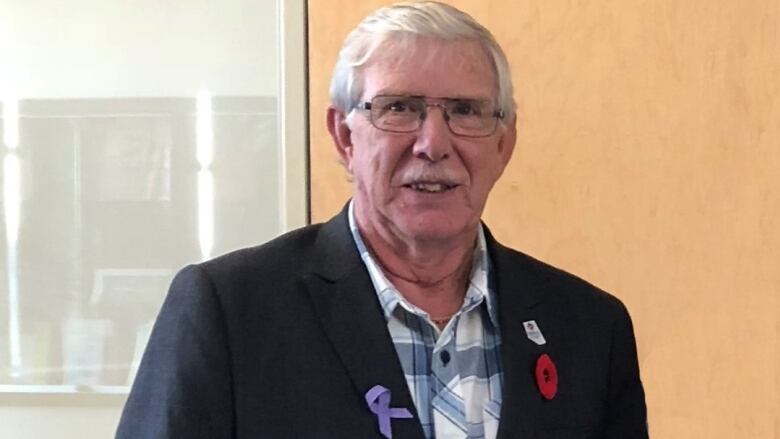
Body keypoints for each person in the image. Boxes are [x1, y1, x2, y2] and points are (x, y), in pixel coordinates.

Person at [116, 2, 648, 438]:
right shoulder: (231, 311)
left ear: (504, 144)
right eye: (400, 107)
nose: (433, 143)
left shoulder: (588, 330)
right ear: (344, 137)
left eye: (465, 111)